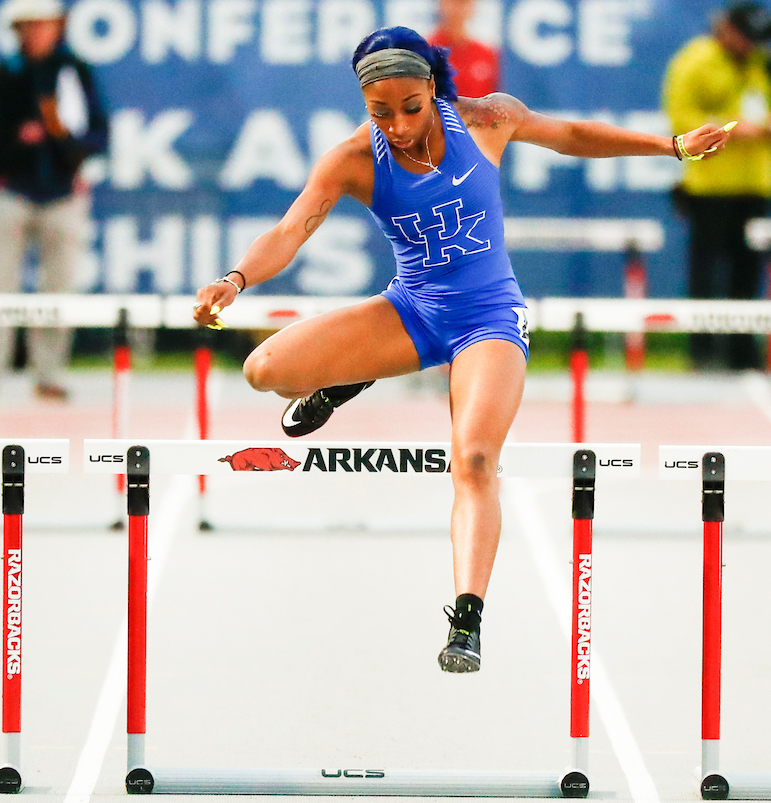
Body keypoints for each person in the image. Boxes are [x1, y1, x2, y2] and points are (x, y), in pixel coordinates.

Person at [193, 26, 730, 674]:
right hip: (412, 310)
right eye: (379, 112)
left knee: (474, 458)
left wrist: (671, 145)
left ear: (433, 89)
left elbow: (572, 137)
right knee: (264, 370)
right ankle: (355, 372)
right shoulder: (352, 160)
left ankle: (468, 616)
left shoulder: (487, 121)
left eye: (410, 108)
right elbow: (290, 229)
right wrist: (234, 279)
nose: (397, 125)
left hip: (488, 320)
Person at [0, 0, 109, 401]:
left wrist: (60, 138)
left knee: (59, 289)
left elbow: (100, 134)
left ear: (56, 27)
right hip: (12, 191)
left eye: (43, 24)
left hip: (63, 194)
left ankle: (49, 373)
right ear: (19, 30)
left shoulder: (75, 71)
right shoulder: (5, 73)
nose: (36, 32)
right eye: (29, 26)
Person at [663, 1, 771, 371]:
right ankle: (702, 352)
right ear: (726, 30)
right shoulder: (695, 62)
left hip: (754, 184)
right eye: (746, 39)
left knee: (747, 273)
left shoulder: (760, 64)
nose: (750, 47)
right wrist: (734, 127)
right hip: (708, 186)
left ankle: (743, 354)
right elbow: (681, 118)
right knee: (705, 273)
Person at [429, 0, 499, 99]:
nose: (459, 10)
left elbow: (493, 100)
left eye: (464, 3)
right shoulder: (426, 50)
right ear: (441, 5)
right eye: (453, 3)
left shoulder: (485, 54)